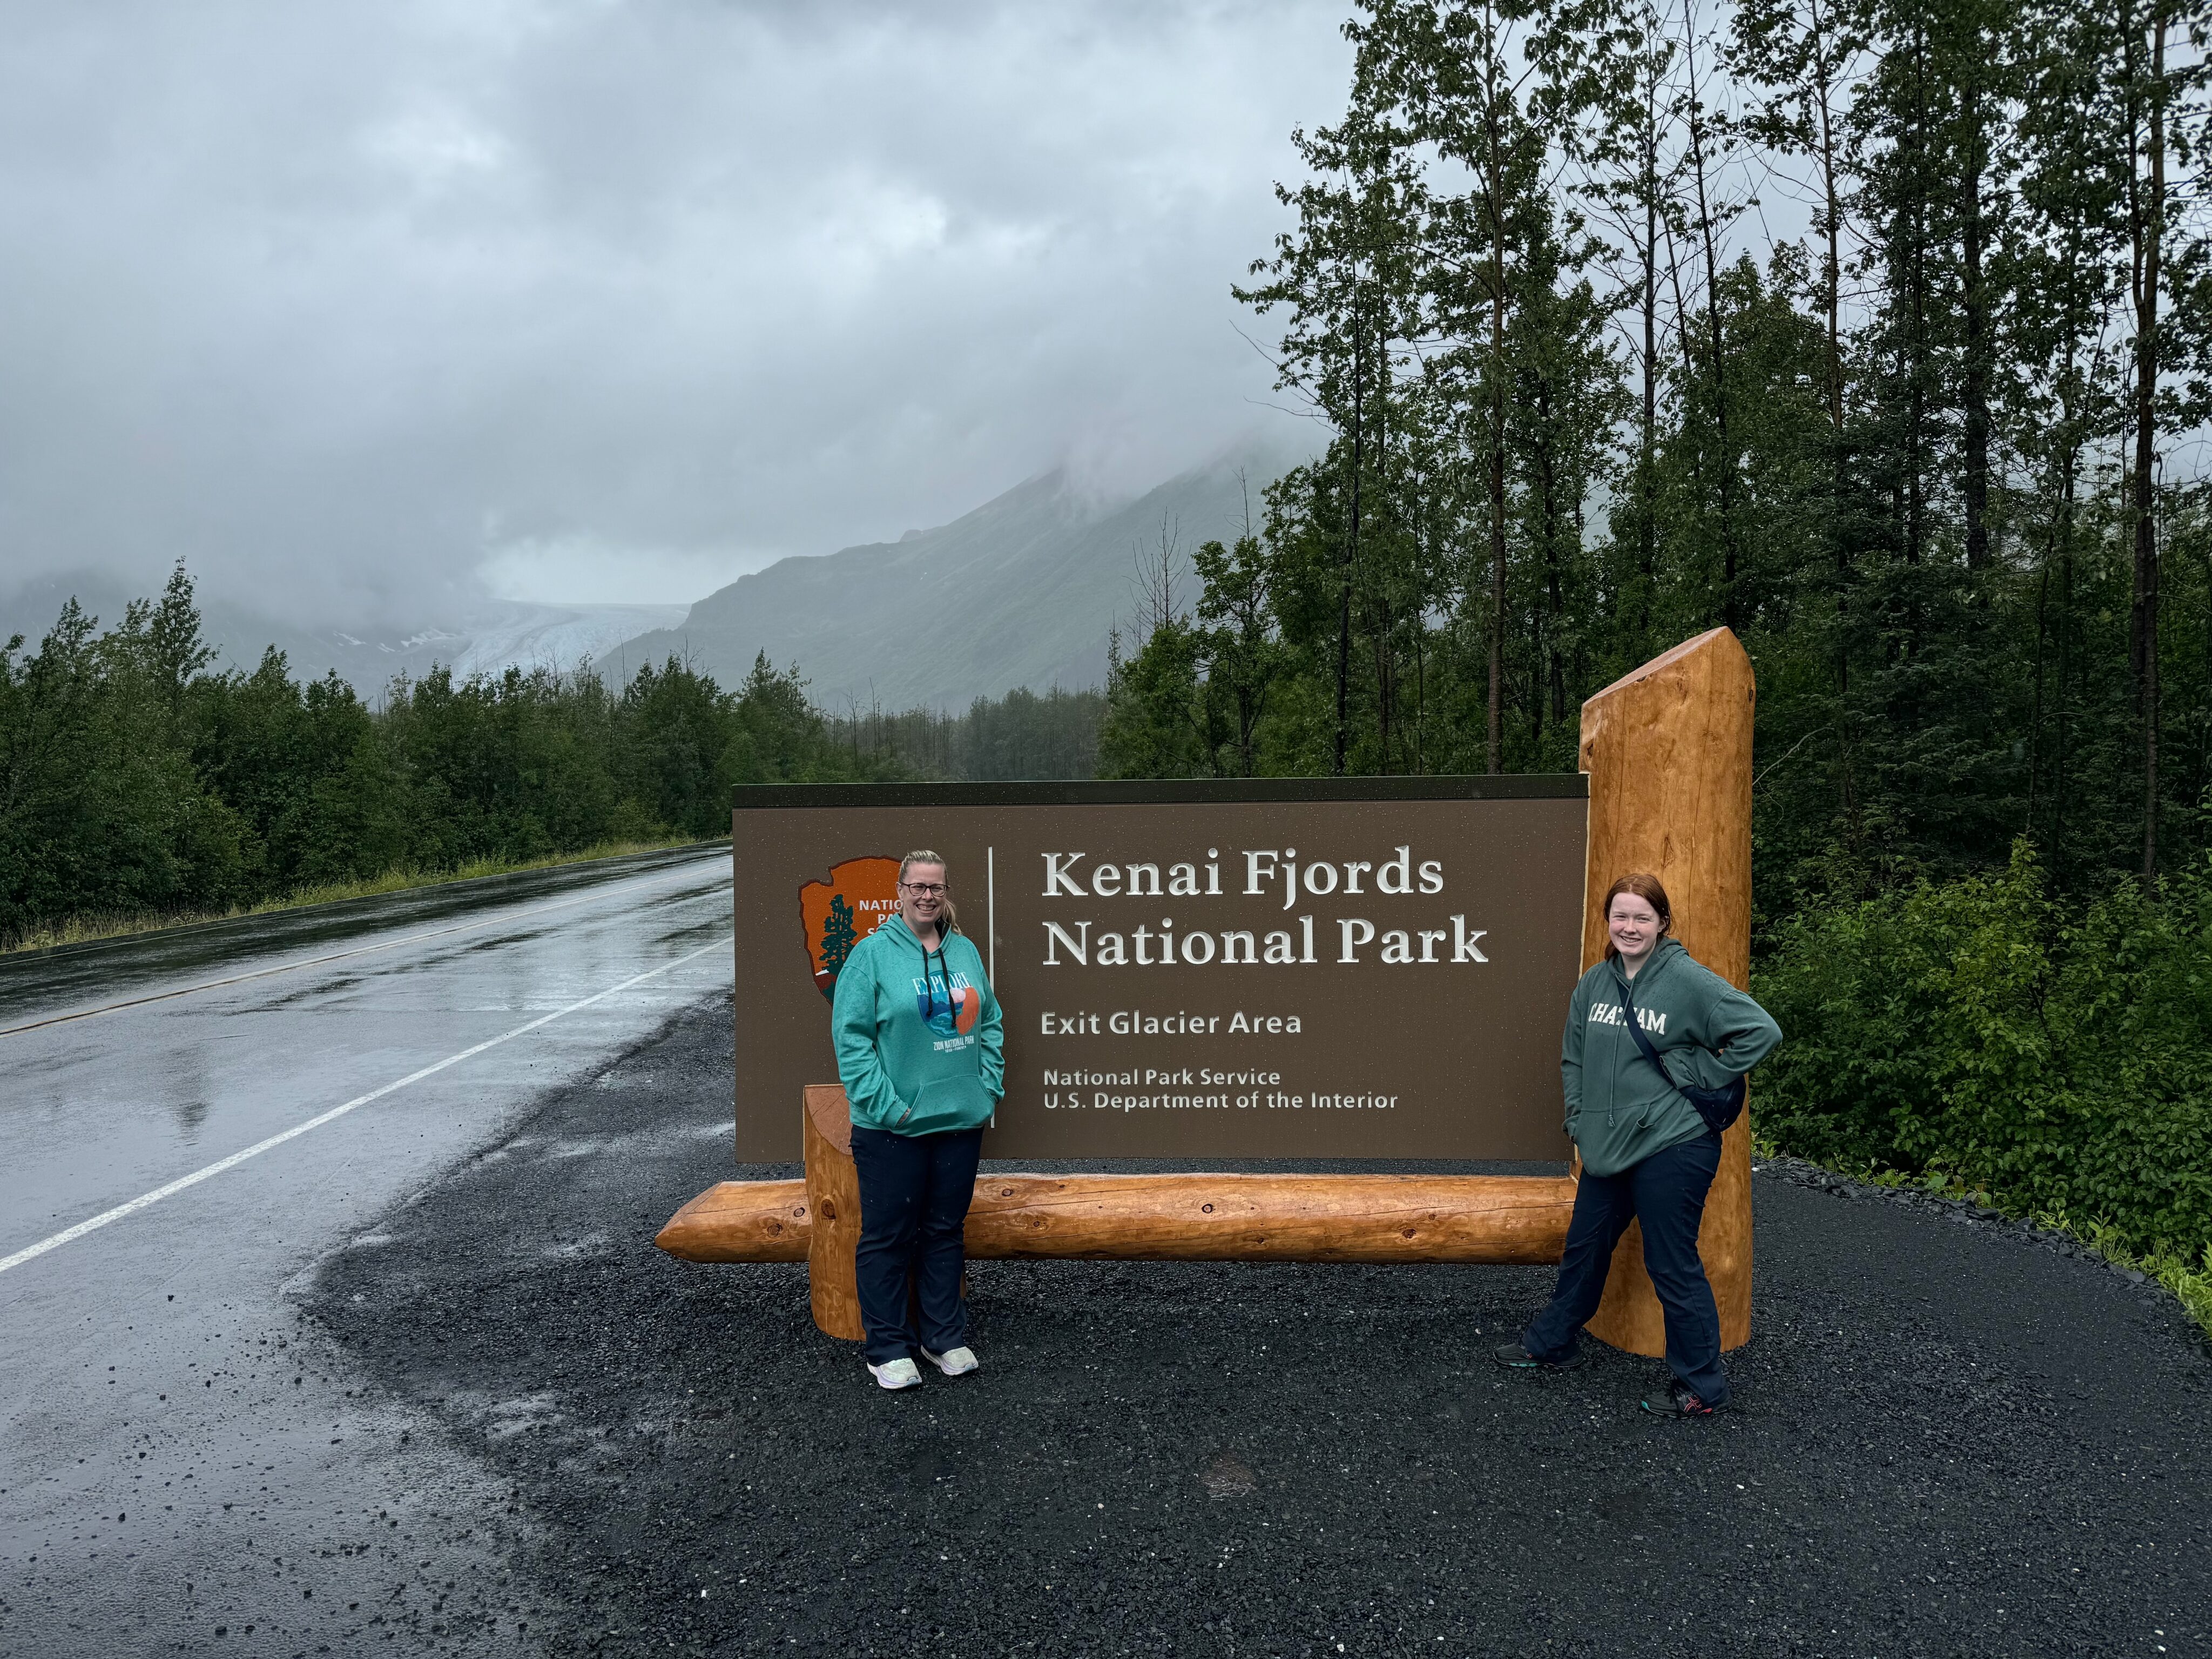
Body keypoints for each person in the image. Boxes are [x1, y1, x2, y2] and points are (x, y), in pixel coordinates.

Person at [1494, 873, 1781, 1417]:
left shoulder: (1687, 981)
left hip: (1672, 1143)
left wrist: (1697, 1065)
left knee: (1671, 1262)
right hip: (1608, 1145)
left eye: (1641, 918)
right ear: (1608, 922)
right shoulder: (1594, 985)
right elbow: (1574, 1057)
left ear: (1662, 924)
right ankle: (1553, 1343)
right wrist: (1577, 1118)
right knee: (1585, 1246)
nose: (1629, 927)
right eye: (1620, 916)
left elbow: (1760, 1030)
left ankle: (1701, 1386)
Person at [831, 849, 1004, 1391]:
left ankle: (943, 1337)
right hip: (892, 1129)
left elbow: (991, 1021)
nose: (927, 895)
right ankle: (886, 1349)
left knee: (944, 1233)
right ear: (900, 890)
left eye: (936, 887)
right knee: (887, 1237)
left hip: (958, 1120)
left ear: (945, 892)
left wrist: (987, 1086)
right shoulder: (871, 955)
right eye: (917, 886)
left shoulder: (965, 951)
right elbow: (852, 1040)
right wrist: (888, 1107)